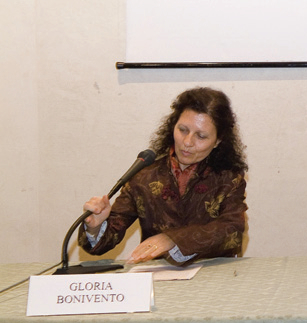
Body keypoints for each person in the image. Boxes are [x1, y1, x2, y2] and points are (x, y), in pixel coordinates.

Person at [79, 87, 248, 265]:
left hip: (213, 274)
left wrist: (171, 240)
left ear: (218, 141)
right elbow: (106, 240)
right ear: (172, 127)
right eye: (183, 130)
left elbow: (233, 230)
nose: (187, 142)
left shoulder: (228, 177)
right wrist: (95, 226)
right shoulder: (145, 174)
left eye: (201, 136)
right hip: (158, 276)